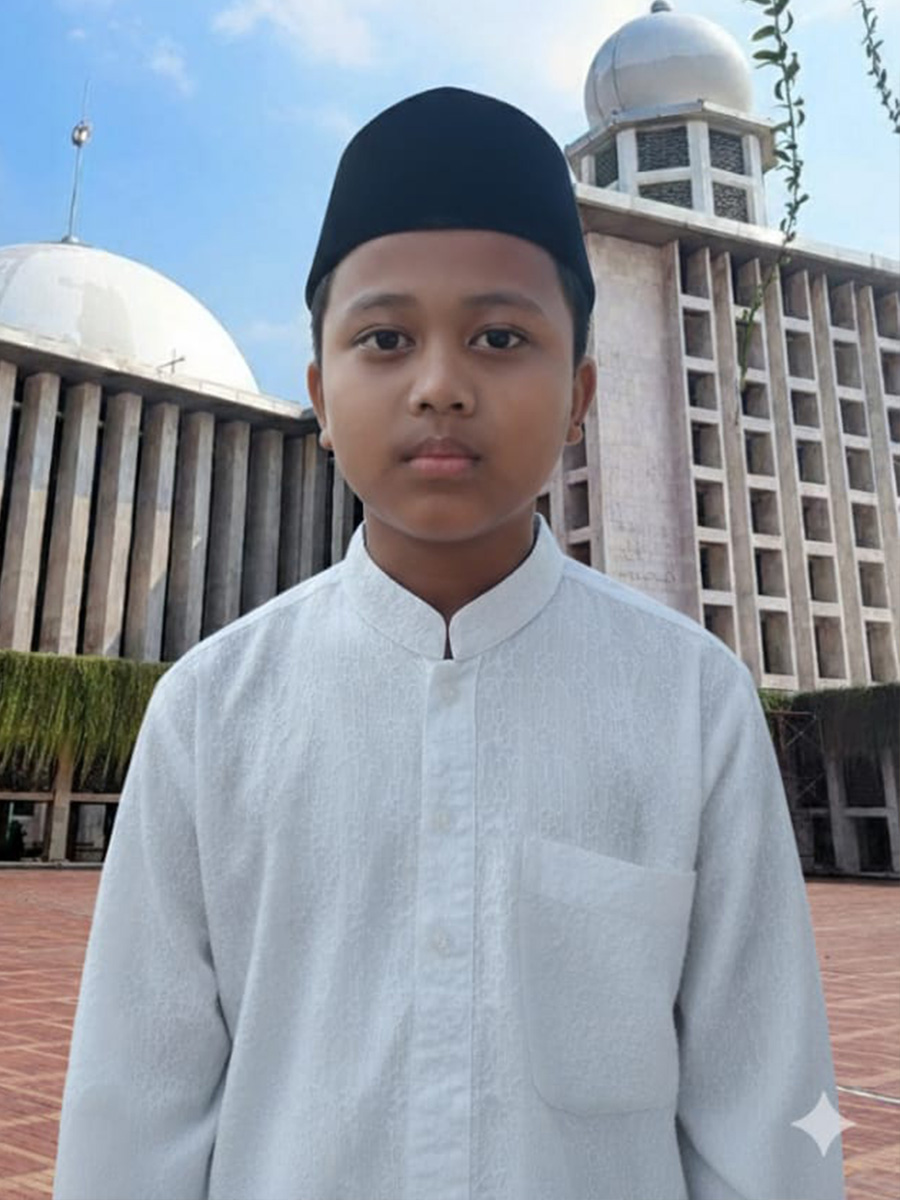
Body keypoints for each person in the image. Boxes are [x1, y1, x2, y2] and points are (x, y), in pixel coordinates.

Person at [53, 86, 846, 1200]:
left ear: (578, 396)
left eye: (499, 336)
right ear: (323, 395)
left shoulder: (691, 708)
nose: (439, 384)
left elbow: (765, 1116)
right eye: (386, 338)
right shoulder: (210, 715)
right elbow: (132, 1118)